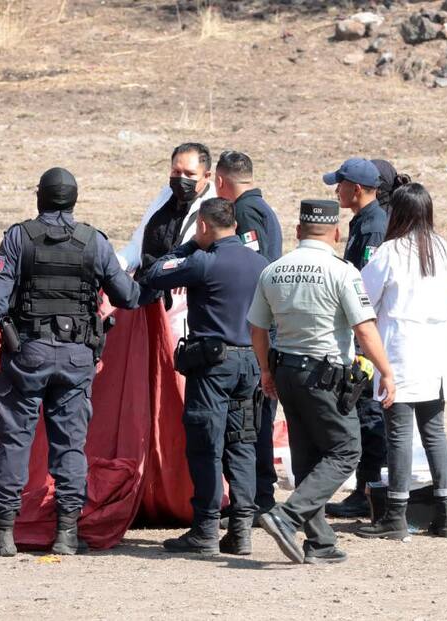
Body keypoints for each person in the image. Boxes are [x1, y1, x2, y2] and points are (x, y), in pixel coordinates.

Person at [0, 167, 142, 557]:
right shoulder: (95, 242)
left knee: (14, 441)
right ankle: (67, 533)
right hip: (76, 359)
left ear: (40, 197)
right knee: (71, 445)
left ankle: (3, 533)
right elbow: (127, 296)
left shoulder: (19, 238)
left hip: (28, 355)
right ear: (73, 200)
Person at [248, 199, 396, 565]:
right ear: (336, 232)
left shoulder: (273, 270)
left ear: (297, 232)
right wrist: (386, 371)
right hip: (324, 375)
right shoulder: (342, 271)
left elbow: (256, 327)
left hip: (285, 371)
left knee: (307, 456)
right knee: (346, 450)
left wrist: (266, 370)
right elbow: (364, 328)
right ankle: (287, 516)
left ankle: (321, 542)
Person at [139, 198, 269, 556]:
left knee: (206, 445)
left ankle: (205, 528)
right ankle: (241, 529)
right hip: (250, 364)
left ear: (204, 227)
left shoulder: (203, 261)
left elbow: (155, 272)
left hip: (213, 367)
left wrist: (188, 245)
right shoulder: (260, 262)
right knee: (242, 444)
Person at [355, 183, 447, 540]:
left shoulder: (389, 252)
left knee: (398, 434)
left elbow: (363, 299)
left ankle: (396, 515)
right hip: (437, 353)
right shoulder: (444, 249)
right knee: (435, 433)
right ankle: (445, 515)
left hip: (400, 351)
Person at [214, 150, 283, 519]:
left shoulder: (246, 213)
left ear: (222, 183)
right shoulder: (263, 208)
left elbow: (254, 266)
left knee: (253, 418)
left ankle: (259, 497)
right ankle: (254, 495)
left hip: (256, 327)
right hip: (260, 325)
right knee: (254, 416)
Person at [321, 158, 389, 519]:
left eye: (341, 185)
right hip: (360, 330)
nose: (337, 191)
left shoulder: (374, 227)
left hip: (365, 331)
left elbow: (364, 286)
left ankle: (368, 491)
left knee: (368, 414)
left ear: (357, 190)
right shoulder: (365, 221)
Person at [117, 142, 216, 342]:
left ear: (207, 176)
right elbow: (139, 244)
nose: (181, 179)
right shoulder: (164, 197)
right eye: (176, 171)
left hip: (183, 305)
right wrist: (114, 265)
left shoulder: (214, 208)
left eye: (189, 174)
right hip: (146, 295)